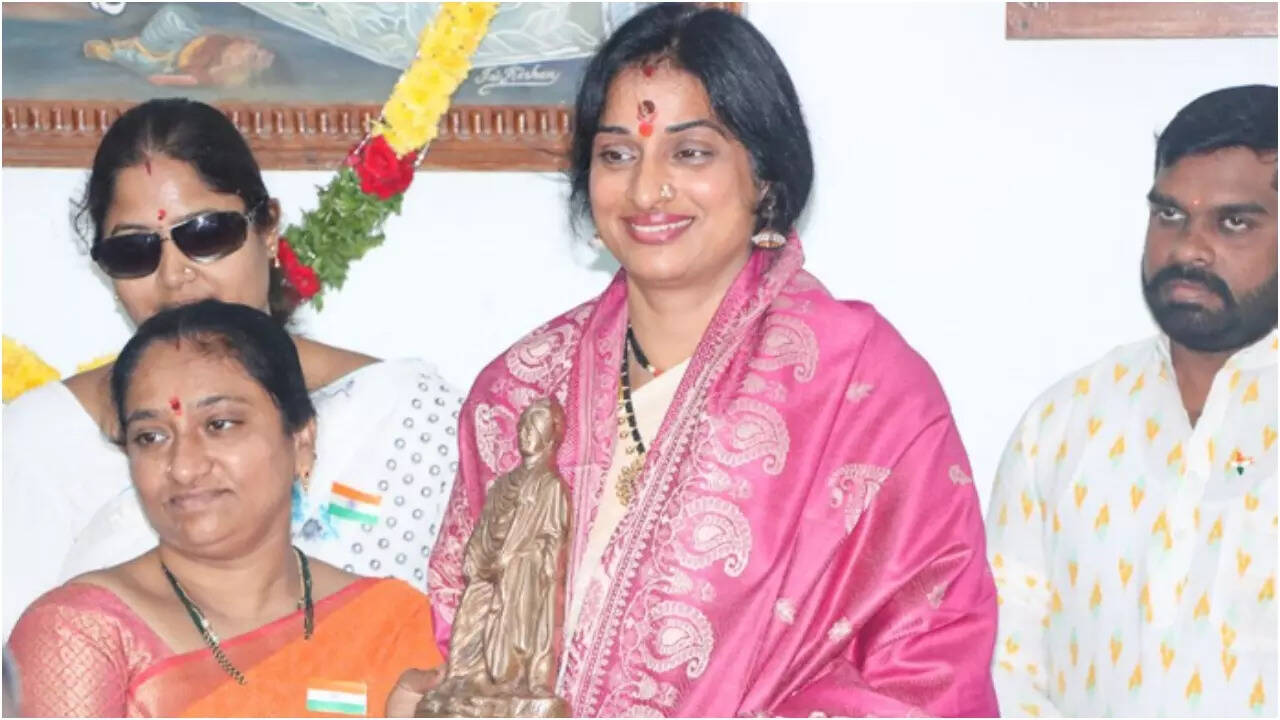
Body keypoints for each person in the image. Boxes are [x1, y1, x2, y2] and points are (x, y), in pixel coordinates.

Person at [417, 5, 999, 716]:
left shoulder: (867, 389)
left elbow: (930, 660)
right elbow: (463, 625)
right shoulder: (519, 391)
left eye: (690, 153)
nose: (646, 190)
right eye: (617, 155)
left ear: (766, 177)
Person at [2, 98, 462, 640]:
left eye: (206, 234)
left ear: (267, 229)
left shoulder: (401, 413)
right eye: (134, 251)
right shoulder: (39, 443)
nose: (174, 275)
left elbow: (462, 641)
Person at [987, 85, 1277, 717]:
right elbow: (1005, 664)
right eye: (1169, 215)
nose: (1188, 248)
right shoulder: (1062, 425)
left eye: (1234, 222)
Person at [5, 300, 443, 716]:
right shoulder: (82, 632)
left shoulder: (394, 622)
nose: (184, 467)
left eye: (220, 425)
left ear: (301, 440)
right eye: (151, 437)